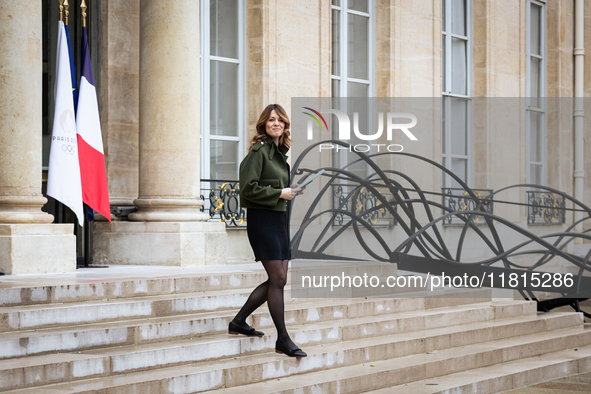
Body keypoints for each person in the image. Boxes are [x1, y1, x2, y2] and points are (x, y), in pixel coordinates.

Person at [228, 104, 307, 358]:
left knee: (279, 278)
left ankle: (239, 321)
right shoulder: (258, 153)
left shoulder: (280, 155)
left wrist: (289, 190)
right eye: (272, 120)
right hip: (263, 222)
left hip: (279, 221)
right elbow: (247, 190)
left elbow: (274, 188)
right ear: (263, 124)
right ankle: (283, 339)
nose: (276, 124)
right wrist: (279, 193)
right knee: (279, 279)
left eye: (281, 121)